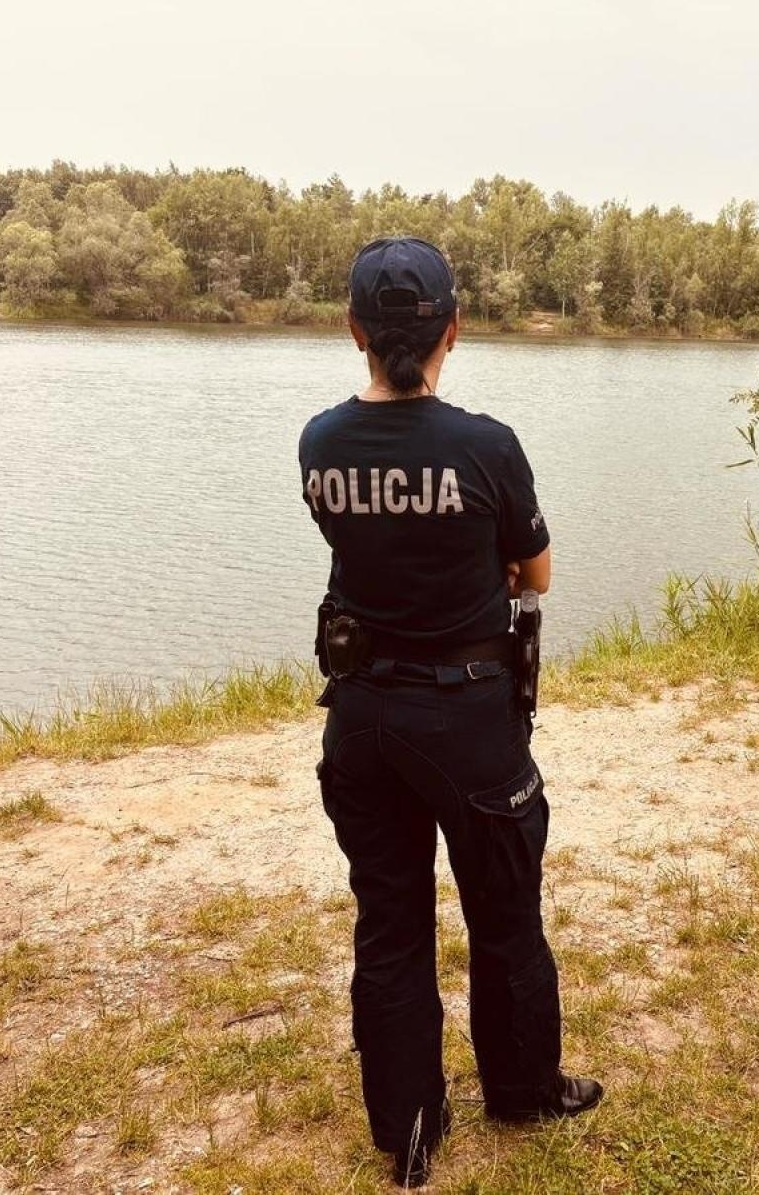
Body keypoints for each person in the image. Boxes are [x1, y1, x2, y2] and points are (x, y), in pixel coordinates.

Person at [298, 237, 602, 1188]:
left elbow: (363, 540)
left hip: (362, 715)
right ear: (452, 332)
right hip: (469, 721)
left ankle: (408, 1131)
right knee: (505, 916)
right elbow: (537, 572)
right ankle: (522, 1092)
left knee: (389, 921)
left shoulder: (320, 440)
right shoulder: (485, 445)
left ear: (354, 330)